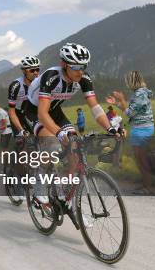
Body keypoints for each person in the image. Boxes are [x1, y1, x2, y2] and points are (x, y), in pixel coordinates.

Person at [22, 42, 122, 209]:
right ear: (64, 64)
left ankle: (66, 193)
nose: (80, 71)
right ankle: (39, 188)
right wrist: (58, 133)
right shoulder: (51, 77)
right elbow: (42, 114)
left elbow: (95, 108)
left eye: (83, 66)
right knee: (51, 143)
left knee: (75, 148)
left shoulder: (84, 79)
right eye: (75, 66)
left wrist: (110, 128)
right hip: (35, 111)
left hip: (55, 111)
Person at [107, 70, 155, 195]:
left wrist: (121, 99)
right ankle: (145, 185)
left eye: (127, 81)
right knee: (140, 158)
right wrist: (117, 103)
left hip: (142, 129)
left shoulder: (139, 94)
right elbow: (131, 110)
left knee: (142, 159)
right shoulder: (141, 93)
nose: (127, 84)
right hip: (141, 128)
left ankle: (148, 188)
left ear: (131, 81)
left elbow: (129, 113)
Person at [7, 56, 39, 136]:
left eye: (37, 69)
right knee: (22, 140)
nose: (35, 73)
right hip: (17, 114)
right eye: (32, 70)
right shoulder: (16, 86)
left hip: (31, 112)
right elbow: (11, 112)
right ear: (24, 71)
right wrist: (21, 130)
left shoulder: (41, 82)